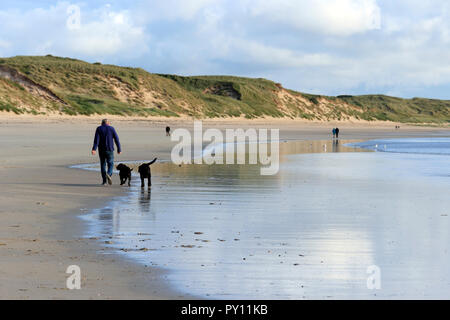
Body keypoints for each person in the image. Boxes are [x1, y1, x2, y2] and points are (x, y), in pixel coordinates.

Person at [91, 119, 122, 186]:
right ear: (108, 123)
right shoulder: (111, 128)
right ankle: (109, 174)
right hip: (110, 149)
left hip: (101, 150)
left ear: (102, 123)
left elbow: (96, 140)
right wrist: (119, 149)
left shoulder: (99, 128)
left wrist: (94, 149)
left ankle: (104, 181)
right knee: (110, 164)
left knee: (103, 164)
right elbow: (116, 139)